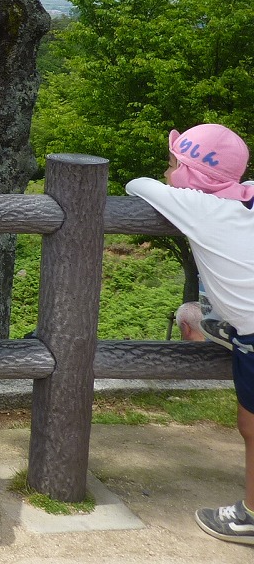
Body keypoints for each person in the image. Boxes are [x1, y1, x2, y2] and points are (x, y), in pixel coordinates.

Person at [126, 123, 254, 545]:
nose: (167, 170)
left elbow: (136, 185)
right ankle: (223, 321)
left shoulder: (194, 205)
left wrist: (175, 184)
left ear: (186, 173)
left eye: (173, 163)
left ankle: (251, 517)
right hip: (246, 324)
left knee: (251, 425)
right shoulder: (246, 195)